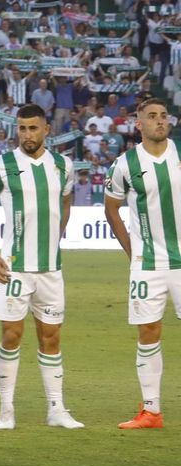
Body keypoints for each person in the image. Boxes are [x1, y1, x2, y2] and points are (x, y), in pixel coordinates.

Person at [0, 104, 81, 431]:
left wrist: (55, 235)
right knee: (11, 334)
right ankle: (6, 411)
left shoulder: (63, 165)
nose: (27, 135)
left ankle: (56, 409)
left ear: (46, 129)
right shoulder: (0, 166)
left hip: (50, 268)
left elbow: (65, 202)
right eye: (22, 128)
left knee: (51, 337)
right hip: (14, 268)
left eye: (33, 128)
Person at [102, 96, 178, 430]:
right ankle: (151, 411)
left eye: (163, 116)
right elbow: (111, 208)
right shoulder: (124, 163)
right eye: (152, 116)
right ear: (138, 123)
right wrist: (132, 250)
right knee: (148, 333)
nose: (159, 121)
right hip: (147, 264)